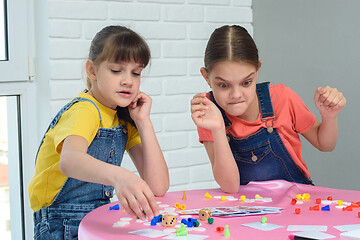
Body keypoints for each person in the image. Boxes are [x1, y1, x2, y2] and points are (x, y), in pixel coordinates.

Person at [28, 25, 169, 239]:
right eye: (116, 70)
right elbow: (70, 160)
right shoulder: (85, 110)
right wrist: (121, 176)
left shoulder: (122, 118)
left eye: (136, 73)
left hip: (95, 217)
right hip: (60, 223)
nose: (128, 81)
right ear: (92, 71)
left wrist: (143, 121)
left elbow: (158, 186)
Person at [190, 25, 346, 193]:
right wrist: (218, 129)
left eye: (246, 83)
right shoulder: (209, 113)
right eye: (223, 85)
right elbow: (230, 186)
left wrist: (329, 117)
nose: (236, 95)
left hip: (297, 204)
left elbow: (325, 144)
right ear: (206, 77)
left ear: (257, 70)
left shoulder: (282, 98)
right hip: (247, 210)